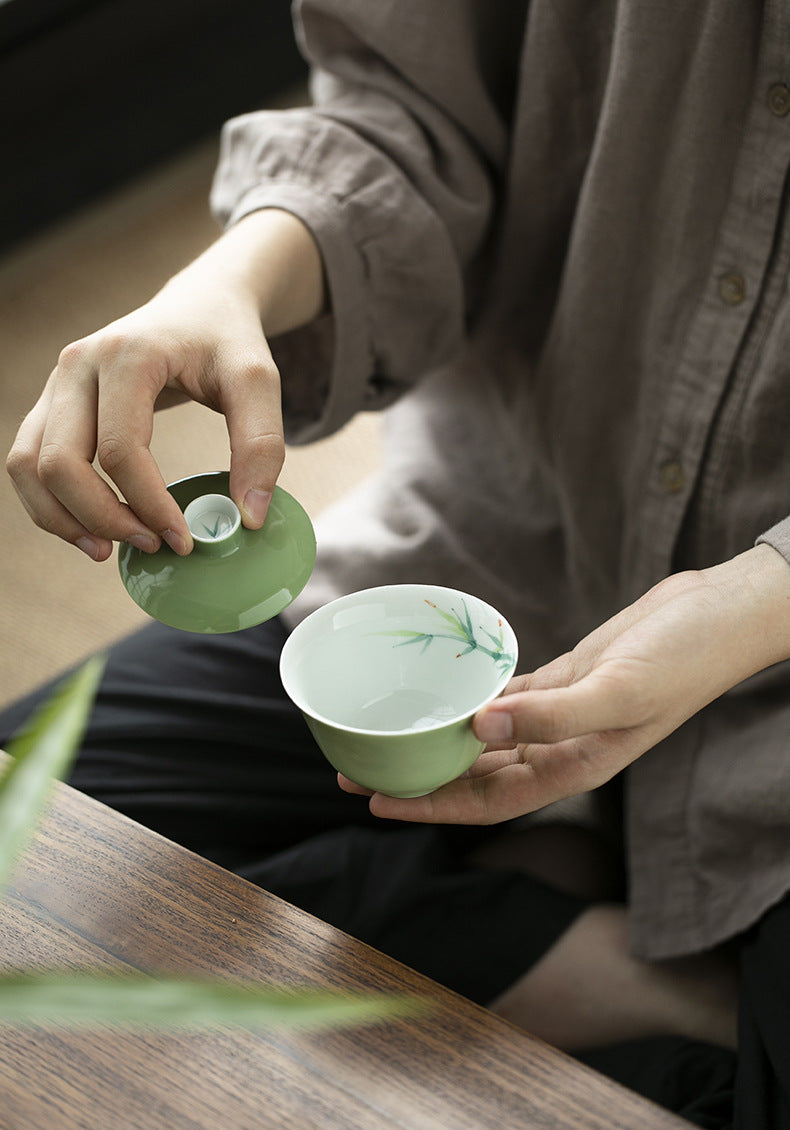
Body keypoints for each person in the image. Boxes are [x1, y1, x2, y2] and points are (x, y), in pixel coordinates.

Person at [4, 1, 790, 1123]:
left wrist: (763, 597)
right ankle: (589, 948)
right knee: (24, 852)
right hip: (504, 541)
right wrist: (226, 286)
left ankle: (490, 919)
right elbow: (411, 105)